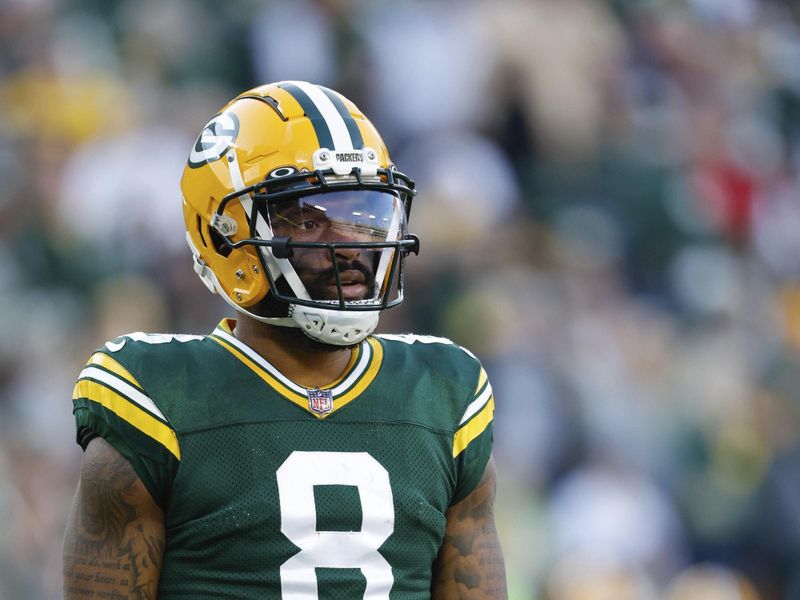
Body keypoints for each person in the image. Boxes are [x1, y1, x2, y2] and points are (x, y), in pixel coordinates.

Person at [62, 80, 507, 599]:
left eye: (364, 214)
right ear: (224, 233)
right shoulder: (158, 395)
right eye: (308, 219)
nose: (350, 246)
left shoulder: (444, 390)